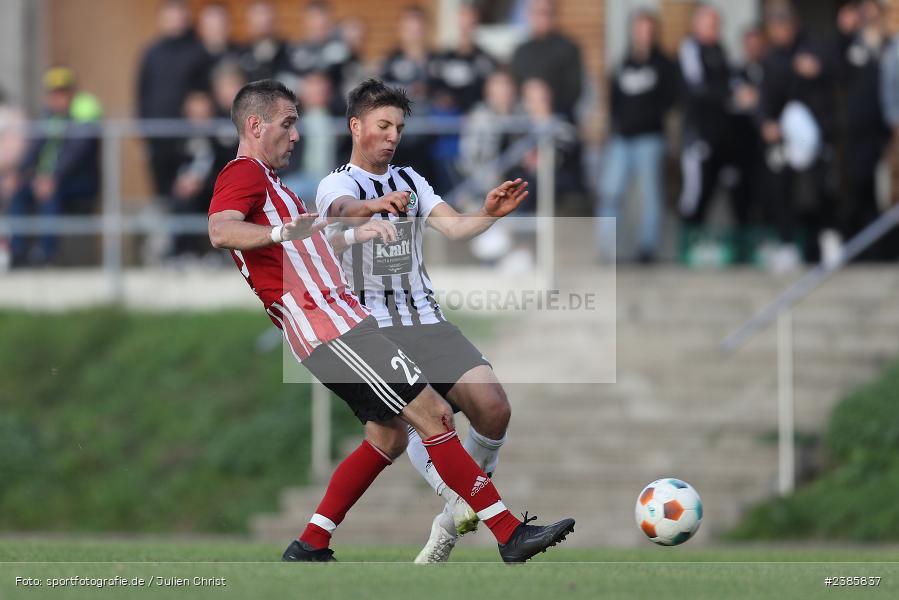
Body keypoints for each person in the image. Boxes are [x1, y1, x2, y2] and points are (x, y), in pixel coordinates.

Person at [207, 79, 574, 563]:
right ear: (255, 125)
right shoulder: (246, 174)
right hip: (329, 326)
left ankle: (311, 541)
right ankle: (508, 534)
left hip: (341, 321)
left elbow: (313, 246)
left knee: (388, 437)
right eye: (289, 123)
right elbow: (220, 229)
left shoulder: (275, 186)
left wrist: (356, 234)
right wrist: (314, 223)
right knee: (434, 416)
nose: (296, 135)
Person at [315, 78, 541, 563]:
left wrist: (488, 212)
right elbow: (339, 216)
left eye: (398, 126)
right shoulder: (337, 184)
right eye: (383, 125)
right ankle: (468, 506)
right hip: (374, 328)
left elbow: (455, 227)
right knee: (426, 419)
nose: (392, 135)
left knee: (494, 407)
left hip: (427, 320)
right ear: (356, 126)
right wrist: (370, 209)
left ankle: (454, 510)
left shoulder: (412, 180)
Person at [596, 10, 677, 264]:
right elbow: (613, 100)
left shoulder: (664, 64)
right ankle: (608, 249)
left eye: (648, 30)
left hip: (650, 139)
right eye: (639, 30)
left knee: (649, 196)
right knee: (609, 192)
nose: (643, 35)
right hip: (621, 139)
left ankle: (647, 249)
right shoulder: (623, 63)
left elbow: (671, 100)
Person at [7, 66, 102, 267]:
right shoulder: (50, 116)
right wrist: (18, 173)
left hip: (79, 181)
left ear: (72, 92)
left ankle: (46, 253)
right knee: (18, 192)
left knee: (50, 192)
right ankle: (17, 252)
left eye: (62, 92)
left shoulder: (84, 112)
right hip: (50, 178)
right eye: (54, 93)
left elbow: (76, 153)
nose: (58, 97)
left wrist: (53, 176)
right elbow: (35, 147)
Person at [136, 0, 207, 199]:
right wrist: (143, 133)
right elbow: (142, 93)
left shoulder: (197, 51)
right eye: (170, 12)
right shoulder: (151, 52)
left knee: (188, 193)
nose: (175, 17)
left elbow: (203, 94)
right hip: (157, 137)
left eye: (179, 11)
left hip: (188, 138)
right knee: (162, 194)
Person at [510, 0, 583, 121]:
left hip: (560, 119)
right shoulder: (521, 51)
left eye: (546, 13)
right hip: (525, 120)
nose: (541, 18)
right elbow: (514, 85)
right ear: (529, 15)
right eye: (537, 13)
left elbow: (574, 89)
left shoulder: (568, 48)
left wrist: (546, 100)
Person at [236, 1, 290, 83]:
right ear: (249, 19)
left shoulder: (288, 50)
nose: (263, 19)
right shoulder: (238, 53)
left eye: (266, 13)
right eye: (258, 14)